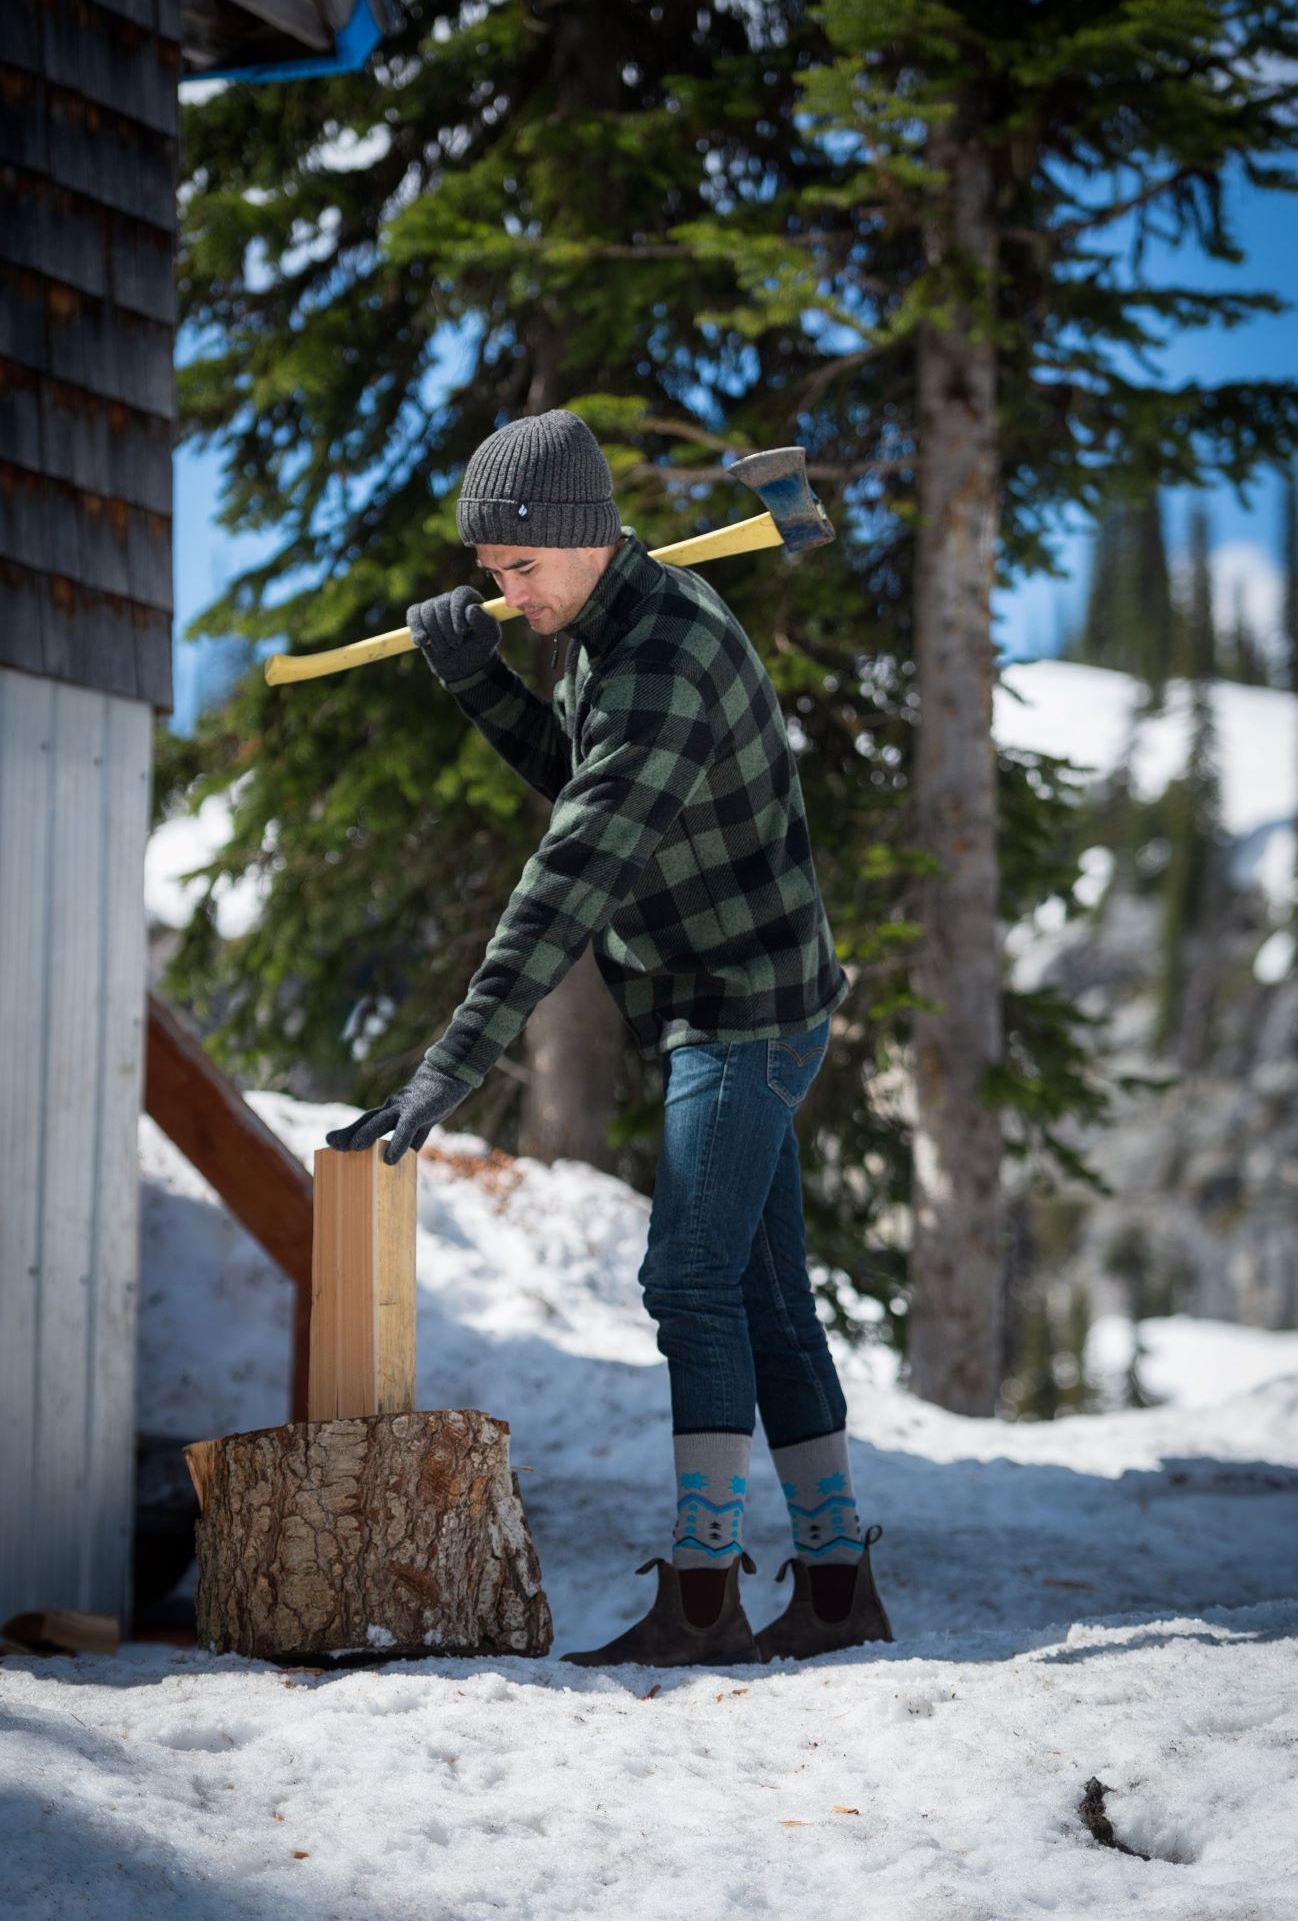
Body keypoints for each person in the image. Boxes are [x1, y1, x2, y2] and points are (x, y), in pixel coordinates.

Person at [326, 409, 893, 1666]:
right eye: (491, 571)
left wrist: (448, 1068)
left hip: (744, 1007)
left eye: (520, 565)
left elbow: (569, 877)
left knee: (688, 1278)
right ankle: (835, 1586)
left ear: (585, 537)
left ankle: (703, 1594)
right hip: (727, 994)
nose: (505, 590)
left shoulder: (662, 658)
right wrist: (478, 678)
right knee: (762, 1294)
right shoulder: (606, 632)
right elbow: (584, 774)